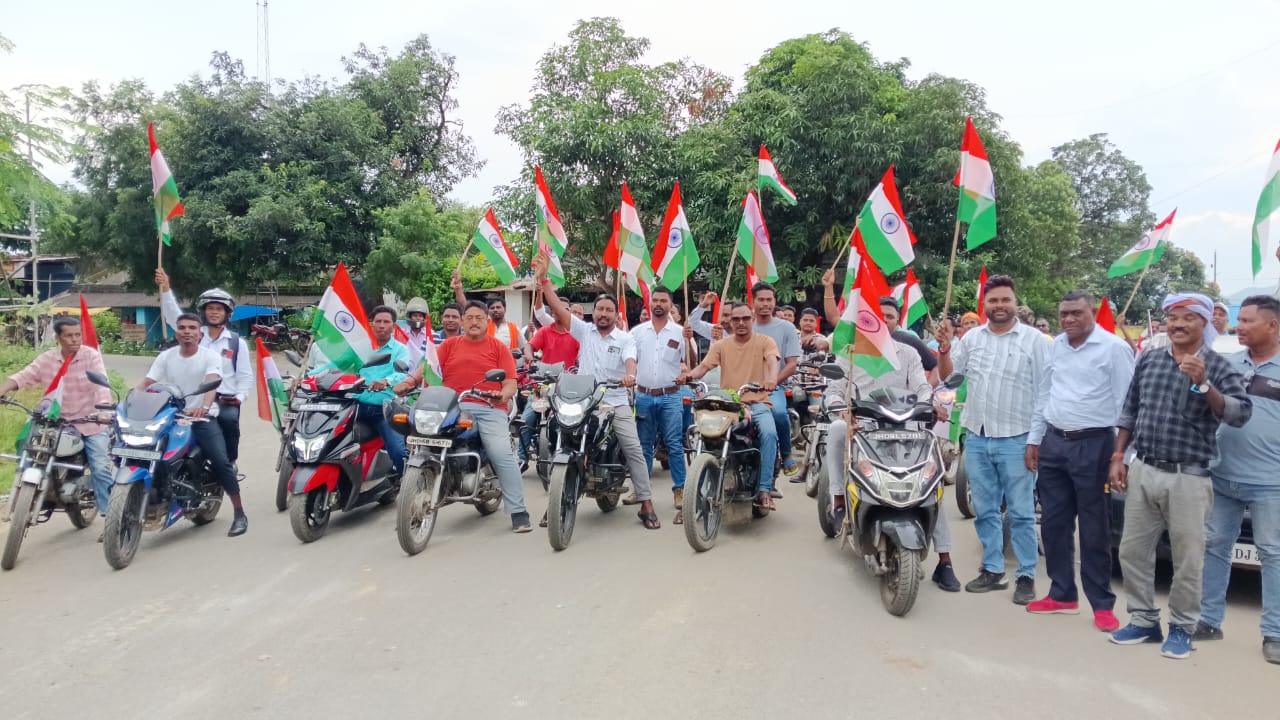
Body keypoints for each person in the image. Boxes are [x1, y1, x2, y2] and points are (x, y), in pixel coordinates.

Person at [1108, 292, 1251, 659]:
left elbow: (1239, 414)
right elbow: (1130, 409)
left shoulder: (1218, 366)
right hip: (1144, 468)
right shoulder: (1150, 359)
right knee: (1132, 551)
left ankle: (1183, 628)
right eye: (1173, 317)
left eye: (1188, 317)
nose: (1178, 324)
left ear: (1204, 323)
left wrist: (1204, 385)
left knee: (1188, 559)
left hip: (1189, 476)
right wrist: (1119, 455)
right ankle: (1143, 620)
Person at [1026, 290, 1135, 632]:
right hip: (1054, 443)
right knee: (1053, 524)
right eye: (1064, 314)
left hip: (1095, 445)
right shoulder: (1056, 346)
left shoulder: (1113, 348)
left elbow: (1127, 404)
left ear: (1092, 313)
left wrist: (1122, 456)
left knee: (1094, 528)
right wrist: (1034, 439)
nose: (1069, 319)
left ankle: (1102, 603)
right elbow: (1044, 393)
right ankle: (1062, 594)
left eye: (1077, 313)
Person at [935, 274, 1048, 604]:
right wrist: (944, 348)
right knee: (985, 511)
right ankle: (993, 569)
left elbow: (1046, 393)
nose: (999, 305)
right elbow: (949, 378)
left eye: (1005, 300)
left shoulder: (1035, 341)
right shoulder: (972, 339)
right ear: (984, 304)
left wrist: (1036, 441)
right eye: (993, 300)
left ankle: (1026, 575)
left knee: (1021, 513)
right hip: (978, 437)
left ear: (1015, 302)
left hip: (1018, 439)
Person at [822, 331, 961, 592]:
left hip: (904, 427)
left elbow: (922, 387)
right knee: (837, 429)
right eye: (877, 315)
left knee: (929, 481)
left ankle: (945, 560)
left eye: (888, 316)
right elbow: (834, 391)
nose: (883, 321)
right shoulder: (850, 353)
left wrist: (930, 404)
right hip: (862, 425)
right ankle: (838, 500)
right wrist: (841, 408)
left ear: (895, 321)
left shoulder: (907, 353)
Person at [532, 250, 659, 529]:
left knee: (634, 448)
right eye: (599, 309)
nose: (603, 313)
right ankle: (556, 501)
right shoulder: (584, 330)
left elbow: (631, 361)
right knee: (559, 440)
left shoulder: (625, 338)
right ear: (594, 312)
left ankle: (646, 502)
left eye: (608, 310)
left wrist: (630, 375)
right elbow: (557, 308)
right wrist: (543, 281)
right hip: (584, 401)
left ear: (616, 314)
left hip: (614, 401)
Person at [1194, 295, 1280, 664]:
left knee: (1272, 554)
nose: (1238, 326)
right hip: (1222, 474)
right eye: (1238, 320)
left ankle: (1274, 632)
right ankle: (1209, 620)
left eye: (1247, 321)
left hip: (1270, 482)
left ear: (1272, 325)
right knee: (1215, 546)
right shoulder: (1228, 364)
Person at [395, 300, 531, 532]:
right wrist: (408, 383)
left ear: (487, 321)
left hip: (487, 407)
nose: (474, 322)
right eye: (469, 318)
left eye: (479, 318)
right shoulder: (449, 345)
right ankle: (411, 503)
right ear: (462, 321)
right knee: (422, 441)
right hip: (451, 406)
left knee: (501, 453)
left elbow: (510, 382)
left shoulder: (498, 348)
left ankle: (518, 511)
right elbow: (426, 367)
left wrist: (501, 395)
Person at [141, 313, 248, 536]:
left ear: (200, 334)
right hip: (171, 416)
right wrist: (131, 398)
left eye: (192, 328)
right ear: (176, 332)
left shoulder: (210, 356)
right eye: (182, 328)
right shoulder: (166, 356)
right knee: (145, 451)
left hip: (201, 417)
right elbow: (148, 381)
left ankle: (239, 513)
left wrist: (204, 407)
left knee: (221, 461)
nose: (187, 332)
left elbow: (212, 381)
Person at [1, 317, 113, 526]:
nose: (74, 339)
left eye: (77, 335)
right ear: (58, 337)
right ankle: (23, 493)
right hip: (53, 420)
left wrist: (103, 410)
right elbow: (23, 376)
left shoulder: (91, 357)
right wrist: (3, 389)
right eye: (69, 336)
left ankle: (111, 519)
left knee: (100, 466)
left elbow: (101, 386)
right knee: (27, 447)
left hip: (88, 421)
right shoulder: (48, 359)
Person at [680, 302, 780, 509]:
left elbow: (772, 361)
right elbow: (704, 367)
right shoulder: (720, 345)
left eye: (745, 318)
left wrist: (771, 379)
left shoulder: (765, 341)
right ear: (730, 321)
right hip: (728, 405)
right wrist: (688, 376)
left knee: (769, 434)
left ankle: (764, 489)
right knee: (703, 436)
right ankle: (693, 497)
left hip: (757, 403)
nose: (741, 323)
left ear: (753, 319)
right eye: (736, 319)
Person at [157, 269, 253, 471]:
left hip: (223, 398)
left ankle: (229, 463)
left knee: (229, 420)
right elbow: (174, 315)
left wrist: (239, 397)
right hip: (190, 396)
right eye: (210, 308)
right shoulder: (193, 333)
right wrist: (166, 289)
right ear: (203, 311)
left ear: (227, 313)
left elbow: (245, 376)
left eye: (219, 309)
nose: (214, 312)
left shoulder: (236, 342)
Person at [629, 286, 687, 524]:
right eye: (655, 300)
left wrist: (686, 369)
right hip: (643, 396)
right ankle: (641, 491)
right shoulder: (637, 332)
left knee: (674, 445)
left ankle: (680, 490)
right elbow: (628, 361)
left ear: (670, 305)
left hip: (670, 396)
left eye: (664, 300)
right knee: (643, 447)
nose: (659, 304)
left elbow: (689, 363)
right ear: (650, 303)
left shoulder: (681, 333)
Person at [331, 306, 409, 478]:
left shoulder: (400, 350)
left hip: (384, 409)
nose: (381, 325)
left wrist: (386, 381)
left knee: (398, 451)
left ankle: (407, 484)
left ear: (393, 326)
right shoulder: (359, 348)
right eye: (378, 321)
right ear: (371, 325)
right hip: (356, 406)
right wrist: (308, 376)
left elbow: (402, 374)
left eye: (386, 322)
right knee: (330, 441)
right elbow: (335, 365)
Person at [518, 293, 581, 471]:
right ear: (552, 312)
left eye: (565, 309)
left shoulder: (577, 334)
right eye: (556, 309)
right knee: (527, 419)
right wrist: (529, 355)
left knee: (574, 422)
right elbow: (529, 346)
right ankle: (521, 458)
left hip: (568, 389)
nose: (560, 312)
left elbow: (583, 356)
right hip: (543, 387)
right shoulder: (545, 331)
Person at [748, 282, 803, 486]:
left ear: (774, 301)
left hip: (774, 388)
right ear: (752, 302)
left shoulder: (786, 328)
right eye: (761, 300)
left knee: (779, 413)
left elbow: (792, 364)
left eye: (769, 300)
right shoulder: (745, 325)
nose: (765, 304)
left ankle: (786, 453)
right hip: (744, 388)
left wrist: (772, 382)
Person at [451, 269, 530, 356]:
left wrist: (528, 355)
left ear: (505, 309)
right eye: (492, 308)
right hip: (486, 362)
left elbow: (524, 346)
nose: (495, 310)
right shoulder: (483, 325)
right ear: (488, 311)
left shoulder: (514, 328)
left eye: (498, 307)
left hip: (508, 362)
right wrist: (458, 288)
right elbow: (465, 306)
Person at [400, 297, 433, 369]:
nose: (418, 318)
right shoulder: (402, 334)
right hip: (406, 369)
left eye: (420, 316)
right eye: (415, 315)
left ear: (424, 318)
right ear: (410, 317)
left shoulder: (430, 334)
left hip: (425, 369)